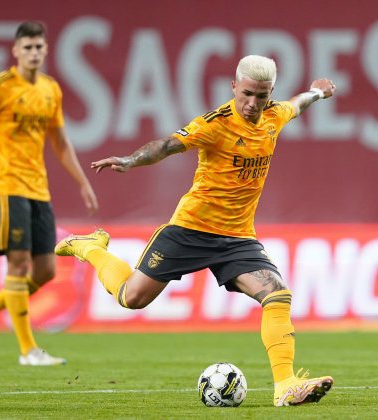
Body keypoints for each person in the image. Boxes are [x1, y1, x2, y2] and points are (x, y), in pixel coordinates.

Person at [55, 55, 335, 405]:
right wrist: (130, 160)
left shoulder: (273, 116)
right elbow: (167, 145)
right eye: (246, 93)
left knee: (277, 295)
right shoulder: (214, 124)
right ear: (234, 86)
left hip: (236, 237)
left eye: (261, 96)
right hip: (190, 229)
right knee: (131, 297)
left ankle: (286, 386)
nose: (252, 104)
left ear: (270, 93)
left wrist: (316, 93)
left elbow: (296, 105)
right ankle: (91, 247)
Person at [0, 21, 99, 366]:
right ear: (16, 51)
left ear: (46, 50)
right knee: (18, 265)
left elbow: (61, 142)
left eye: (39, 47)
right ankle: (28, 351)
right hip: (6, 186)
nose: (34, 53)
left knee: (46, 270)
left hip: (39, 189)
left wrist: (82, 181)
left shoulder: (51, 90)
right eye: (28, 47)